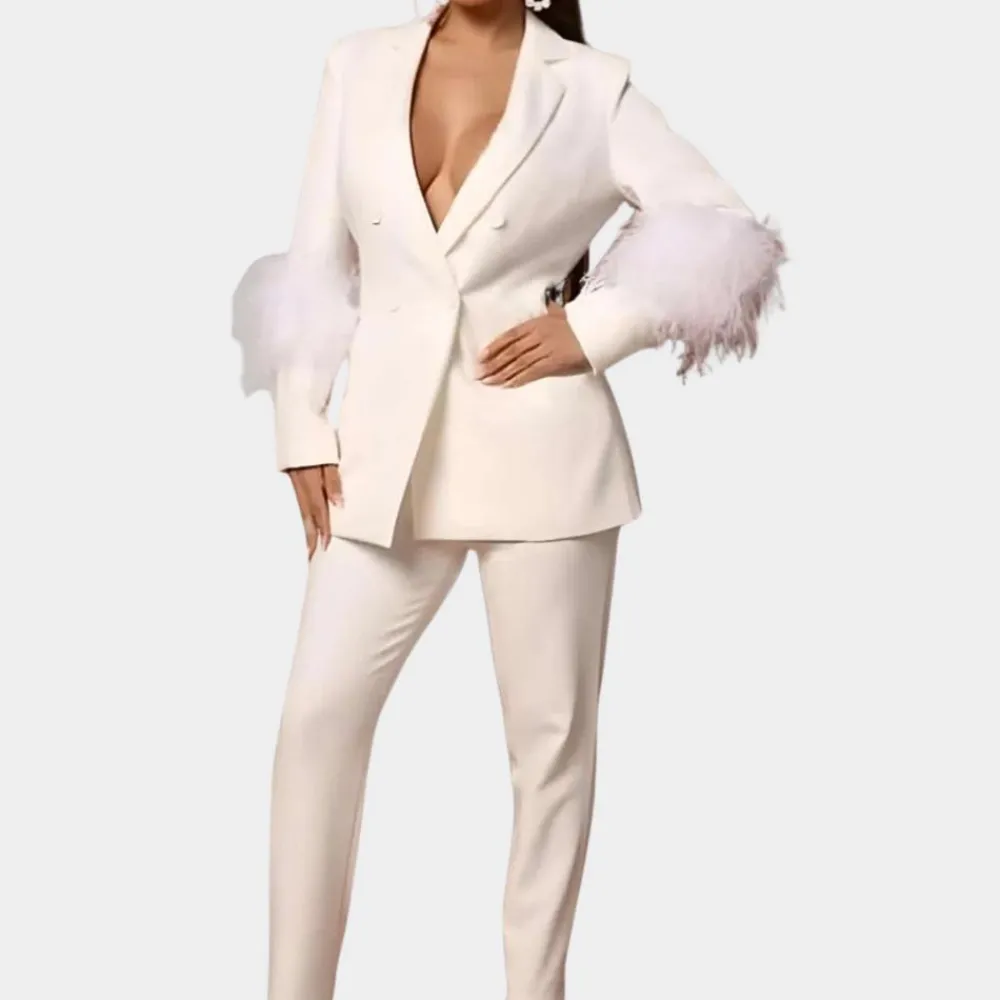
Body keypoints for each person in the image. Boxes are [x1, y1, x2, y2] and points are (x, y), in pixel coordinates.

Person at [231, 1, 784, 997]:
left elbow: (729, 230)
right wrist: (302, 422)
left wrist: (596, 326)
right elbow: (317, 259)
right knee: (315, 723)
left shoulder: (589, 84)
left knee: (549, 753)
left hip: (544, 453)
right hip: (383, 460)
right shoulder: (357, 64)